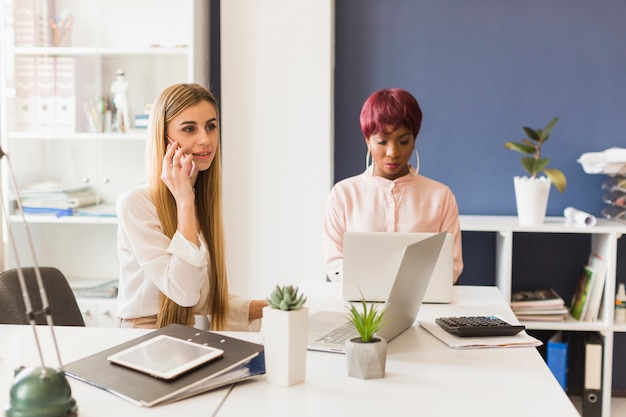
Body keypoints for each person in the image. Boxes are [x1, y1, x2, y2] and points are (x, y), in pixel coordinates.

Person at [116, 83, 267, 331]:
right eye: (189, 129)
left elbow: (200, 300)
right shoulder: (135, 204)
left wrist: (267, 307)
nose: (205, 139)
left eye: (211, 126)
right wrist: (184, 202)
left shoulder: (203, 199)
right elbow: (183, 293)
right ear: (164, 139)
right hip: (143, 334)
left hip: (184, 331)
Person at [323, 88, 463, 283]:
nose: (393, 152)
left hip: (426, 305)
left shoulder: (440, 197)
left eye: (403, 141)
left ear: (414, 140)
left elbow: (452, 267)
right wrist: (368, 283)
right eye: (382, 141)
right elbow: (334, 262)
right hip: (360, 307)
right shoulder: (344, 194)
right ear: (367, 141)